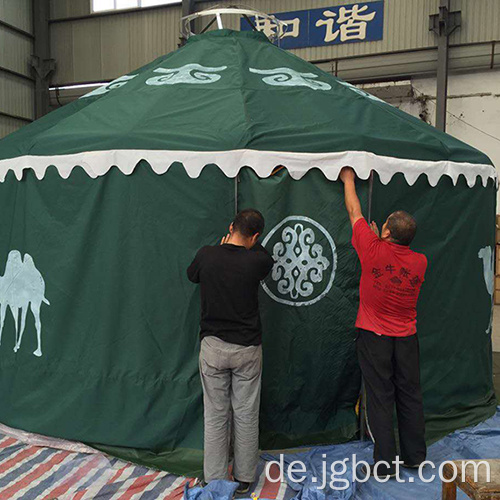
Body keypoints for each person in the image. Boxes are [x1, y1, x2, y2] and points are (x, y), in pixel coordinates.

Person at [339, 167, 428, 478]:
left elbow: (354, 211)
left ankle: (385, 465)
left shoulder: (372, 248)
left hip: (375, 336)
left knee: (379, 397)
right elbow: (395, 261)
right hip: (407, 337)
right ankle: (415, 457)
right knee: (409, 394)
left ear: (387, 231)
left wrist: (348, 179)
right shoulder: (420, 262)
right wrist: (380, 240)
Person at [187, 208, 274, 493]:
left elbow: (192, 275)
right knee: (246, 413)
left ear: (230, 227)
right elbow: (263, 256)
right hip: (247, 349)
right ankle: (244, 479)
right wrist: (250, 245)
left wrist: (222, 248)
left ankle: (214, 479)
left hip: (213, 347)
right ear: (256, 236)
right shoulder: (257, 260)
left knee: (215, 415)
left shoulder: (206, 255)